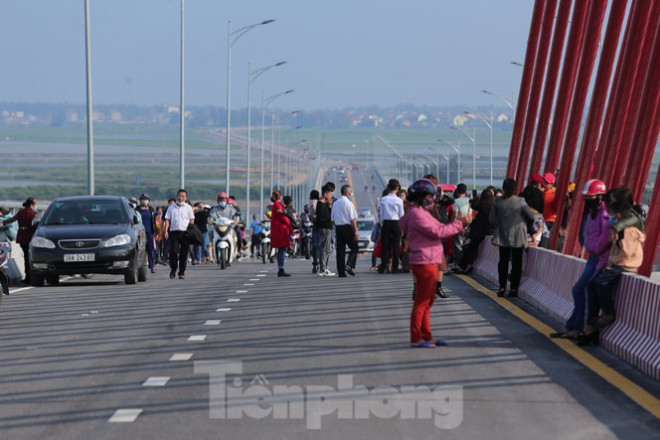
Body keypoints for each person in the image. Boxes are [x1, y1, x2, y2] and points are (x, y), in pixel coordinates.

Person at [401, 179, 472, 348]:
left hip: (430, 259)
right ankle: (416, 337)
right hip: (424, 260)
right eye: (431, 195)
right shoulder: (418, 214)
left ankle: (425, 335)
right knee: (422, 301)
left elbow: (438, 227)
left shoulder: (420, 212)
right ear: (421, 196)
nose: (433, 198)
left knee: (428, 300)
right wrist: (461, 223)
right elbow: (439, 231)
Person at [578, 186, 645, 345]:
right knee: (590, 285)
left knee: (595, 283)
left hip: (617, 262)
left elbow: (625, 251)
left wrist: (601, 253)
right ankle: (590, 327)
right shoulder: (617, 221)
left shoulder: (627, 223)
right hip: (607, 259)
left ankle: (600, 319)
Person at [551, 179, 610, 340]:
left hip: (599, 259)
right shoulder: (593, 213)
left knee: (580, 289)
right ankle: (573, 326)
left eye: (589, 197)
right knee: (580, 290)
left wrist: (596, 251)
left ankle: (578, 327)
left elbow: (605, 239)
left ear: (599, 197)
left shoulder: (604, 215)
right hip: (592, 257)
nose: (586, 200)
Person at [489, 178, 538, 297]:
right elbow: (531, 216)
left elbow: (491, 220)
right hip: (518, 237)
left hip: (503, 236)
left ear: (503, 188)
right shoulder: (520, 201)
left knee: (503, 262)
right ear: (515, 189)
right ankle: (514, 288)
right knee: (517, 263)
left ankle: (501, 287)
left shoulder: (497, 202)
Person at [455, 189, 494, 273]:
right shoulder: (492, 206)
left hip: (478, 231)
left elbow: (472, 204)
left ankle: (464, 265)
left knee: (470, 248)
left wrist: (476, 197)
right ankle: (464, 266)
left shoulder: (481, 205)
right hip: (488, 231)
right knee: (471, 248)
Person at [2, 198, 38, 284]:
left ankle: (27, 277)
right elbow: (37, 225)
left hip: (22, 237)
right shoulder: (34, 214)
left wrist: (3, 221)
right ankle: (31, 277)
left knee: (26, 257)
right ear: (32, 204)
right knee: (30, 258)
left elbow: (10, 220)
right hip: (31, 237)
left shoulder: (21, 212)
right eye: (35, 204)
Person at [164, 189, 194, 280]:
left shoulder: (188, 208)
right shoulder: (171, 207)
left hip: (185, 233)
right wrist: (165, 231)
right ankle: (173, 269)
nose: (181, 198)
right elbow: (167, 220)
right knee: (173, 252)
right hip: (174, 233)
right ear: (177, 196)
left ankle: (182, 272)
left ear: (186, 198)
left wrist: (191, 230)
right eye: (179, 196)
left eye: (183, 196)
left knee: (184, 253)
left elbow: (191, 219)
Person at [331, 184, 359, 278]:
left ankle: (341, 272)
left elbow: (333, 220)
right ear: (347, 192)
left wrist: (338, 226)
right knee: (354, 248)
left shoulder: (335, 203)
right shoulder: (349, 203)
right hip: (347, 228)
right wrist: (355, 230)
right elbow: (352, 219)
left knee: (340, 251)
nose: (351, 193)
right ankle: (349, 265)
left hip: (338, 228)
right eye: (350, 191)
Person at [379, 179, 404, 274]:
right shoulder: (399, 200)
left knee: (385, 246)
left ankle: (384, 266)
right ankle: (395, 267)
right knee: (396, 246)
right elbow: (402, 214)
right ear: (397, 188)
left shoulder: (384, 199)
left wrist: (382, 224)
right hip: (396, 223)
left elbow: (381, 213)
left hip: (386, 222)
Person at [270, 190, 293, 277]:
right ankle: (281, 269)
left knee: (282, 250)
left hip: (279, 230)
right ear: (280, 196)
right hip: (281, 231)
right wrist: (291, 226)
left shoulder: (276, 205)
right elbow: (284, 218)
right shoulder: (277, 205)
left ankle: (281, 268)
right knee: (282, 250)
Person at [316, 185, 335, 277]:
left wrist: (330, 206)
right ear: (325, 194)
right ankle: (322, 269)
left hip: (328, 228)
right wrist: (329, 220)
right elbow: (320, 219)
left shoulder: (325, 205)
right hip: (324, 229)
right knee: (324, 249)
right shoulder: (320, 204)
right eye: (330, 194)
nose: (331, 196)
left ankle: (324, 267)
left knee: (327, 249)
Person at [451, 183, 471, 265]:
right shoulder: (469, 201)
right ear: (465, 191)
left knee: (458, 245)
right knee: (465, 245)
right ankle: (465, 263)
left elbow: (455, 216)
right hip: (469, 226)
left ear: (457, 191)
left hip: (459, 226)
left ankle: (459, 264)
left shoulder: (456, 202)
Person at [138, 193, 157, 273]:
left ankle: (152, 266)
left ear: (148, 200)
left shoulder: (151, 209)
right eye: (143, 199)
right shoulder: (137, 209)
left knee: (150, 249)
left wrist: (154, 232)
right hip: (140, 232)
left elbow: (153, 221)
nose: (144, 200)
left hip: (149, 232)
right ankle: (140, 266)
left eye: (146, 199)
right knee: (140, 249)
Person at [307, 190, 321, 273]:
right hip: (320, 224)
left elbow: (310, 212)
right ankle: (319, 263)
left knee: (315, 245)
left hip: (315, 225)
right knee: (320, 245)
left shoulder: (312, 202)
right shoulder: (316, 202)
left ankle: (316, 263)